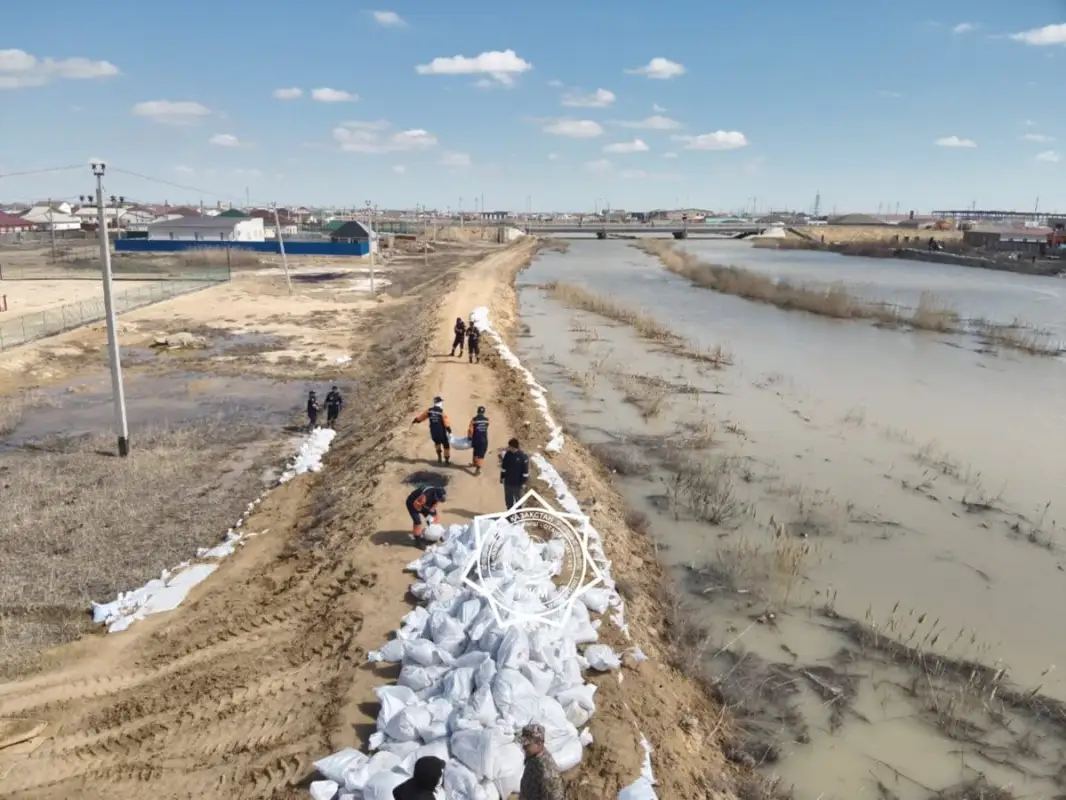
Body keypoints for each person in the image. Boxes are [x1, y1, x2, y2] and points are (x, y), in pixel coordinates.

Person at [518, 724, 565, 800]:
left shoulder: (547, 771)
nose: (523, 747)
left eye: (527, 744)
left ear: (539, 744)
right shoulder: (532, 758)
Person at [411, 395, 452, 464]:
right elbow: (446, 423)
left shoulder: (429, 411)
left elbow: (421, 417)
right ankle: (446, 461)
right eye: (441, 402)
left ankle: (439, 458)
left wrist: (416, 420)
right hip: (441, 432)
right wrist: (449, 431)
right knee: (446, 445)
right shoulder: (441, 412)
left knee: (437, 443)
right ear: (440, 403)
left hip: (433, 431)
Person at [500, 437, 530, 510]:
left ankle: (519, 515)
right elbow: (504, 467)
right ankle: (509, 514)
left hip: (518, 485)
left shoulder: (523, 457)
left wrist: (523, 483)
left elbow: (525, 473)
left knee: (519, 502)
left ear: (513, 447)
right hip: (508, 483)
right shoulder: (508, 454)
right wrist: (502, 477)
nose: (508, 448)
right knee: (508, 501)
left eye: (509, 446)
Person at [467, 405, 489, 475]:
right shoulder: (487, 420)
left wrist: (469, 437)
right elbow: (486, 426)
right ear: (484, 412)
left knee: (476, 451)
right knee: (481, 454)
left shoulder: (474, 420)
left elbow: (470, 430)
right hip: (484, 439)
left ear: (477, 412)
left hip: (476, 439)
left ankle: (474, 463)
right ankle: (478, 469)